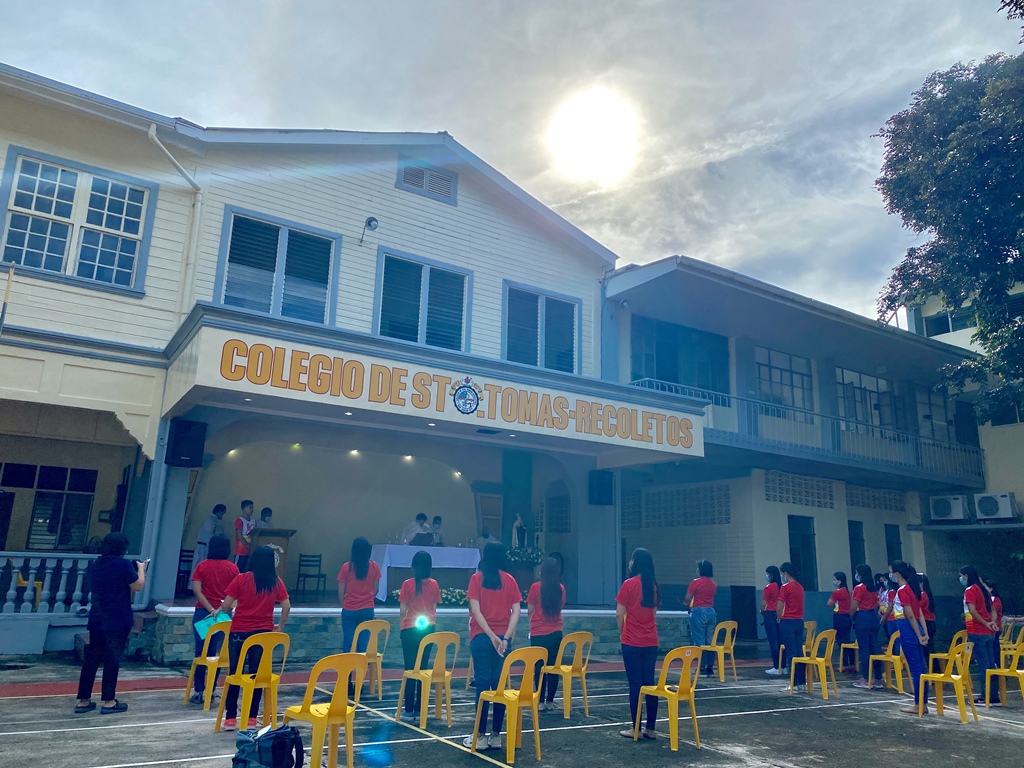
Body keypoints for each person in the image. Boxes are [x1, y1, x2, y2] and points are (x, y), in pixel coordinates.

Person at [219, 546, 290, 731]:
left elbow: (226, 606)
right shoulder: (275, 582)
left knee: (235, 674)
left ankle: (230, 718)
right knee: (257, 676)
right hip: (263, 634)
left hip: (239, 632)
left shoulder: (241, 579)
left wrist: (236, 604)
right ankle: (251, 718)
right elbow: (286, 605)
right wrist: (280, 626)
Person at [74, 532, 146, 715]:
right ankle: (108, 700)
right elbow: (137, 585)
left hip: (98, 616)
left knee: (91, 659)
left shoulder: (96, 564)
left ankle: (83, 700)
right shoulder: (122, 564)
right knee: (112, 659)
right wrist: (141, 569)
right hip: (117, 617)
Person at [464, 541, 522, 750]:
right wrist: (505, 638)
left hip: (481, 637)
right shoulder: (510, 580)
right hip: (502, 639)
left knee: (482, 685)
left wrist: (490, 636)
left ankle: (479, 736)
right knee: (498, 686)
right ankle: (496, 735)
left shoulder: (476, 579)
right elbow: (516, 611)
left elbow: (476, 612)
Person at [189, 534, 239, 703]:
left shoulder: (202, 566)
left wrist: (210, 609)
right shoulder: (233, 568)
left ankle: (199, 690)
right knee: (218, 655)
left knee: (201, 652)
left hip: (203, 613)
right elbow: (236, 594)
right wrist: (219, 610)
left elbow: (197, 590)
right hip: (223, 615)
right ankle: (211, 689)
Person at [616, 548, 660, 741]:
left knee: (635, 684)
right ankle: (650, 729)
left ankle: (635, 728)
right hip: (651, 641)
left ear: (635, 562)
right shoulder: (653, 586)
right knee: (649, 683)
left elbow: (619, 613)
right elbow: (654, 613)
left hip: (632, 640)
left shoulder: (629, 584)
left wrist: (622, 632)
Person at [398, 550, 441, 721]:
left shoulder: (407, 584)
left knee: (410, 669)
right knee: (423, 669)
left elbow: (402, 610)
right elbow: (434, 609)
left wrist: (403, 624)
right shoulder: (434, 584)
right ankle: (420, 707)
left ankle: (408, 710)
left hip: (409, 629)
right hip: (428, 630)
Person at [890, 561, 929, 714]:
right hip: (914, 628)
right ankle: (922, 703)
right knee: (920, 667)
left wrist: (919, 635)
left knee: (916, 669)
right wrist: (924, 633)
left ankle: (919, 704)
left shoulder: (902, 590)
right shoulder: (912, 589)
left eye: (891, 572)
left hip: (907, 629)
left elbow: (911, 615)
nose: (891, 575)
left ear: (897, 574)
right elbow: (919, 614)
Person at [528, 556, 566, 711]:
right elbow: (561, 606)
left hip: (538, 633)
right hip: (556, 632)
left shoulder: (535, 587)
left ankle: (540, 701)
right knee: (553, 667)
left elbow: (530, 610)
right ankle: (550, 700)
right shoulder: (561, 589)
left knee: (539, 668)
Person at [960, 564, 998, 705]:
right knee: (990, 665)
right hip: (989, 632)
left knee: (983, 665)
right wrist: (991, 622)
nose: (961, 579)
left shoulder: (970, 590)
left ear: (967, 576)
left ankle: (984, 696)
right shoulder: (984, 590)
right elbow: (992, 610)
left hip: (976, 630)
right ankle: (993, 696)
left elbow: (972, 610)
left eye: (962, 576)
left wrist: (984, 623)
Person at [338, 537, 382, 654]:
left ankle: (347, 672)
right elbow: (376, 589)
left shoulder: (346, 567)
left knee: (349, 644)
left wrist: (346, 604)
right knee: (363, 646)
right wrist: (368, 600)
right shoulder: (374, 566)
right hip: (367, 609)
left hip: (349, 609)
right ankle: (361, 671)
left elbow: (341, 592)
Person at [851, 564, 882, 690]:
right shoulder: (873, 588)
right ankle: (878, 678)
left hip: (862, 617)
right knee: (875, 648)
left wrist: (852, 616)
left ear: (860, 574)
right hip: (873, 617)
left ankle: (865, 678)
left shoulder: (859, 588)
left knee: (864, 649)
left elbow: (853, 606)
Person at [686, 560, 717, 677]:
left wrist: (687, 604)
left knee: (699, 641)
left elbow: (688, 597)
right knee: (709, 641)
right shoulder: (713, 583)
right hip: (711, 611)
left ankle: (701, 667)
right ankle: (710, 666)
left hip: (698, 611)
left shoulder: (695, 582)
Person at [777, 561, 805, 691]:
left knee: (791, 653)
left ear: (785, 573)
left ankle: (793, 683)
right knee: (799, 652)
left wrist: (778, 617)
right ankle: (801, 682)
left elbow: (780, 605)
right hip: (799, 621)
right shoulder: (800, 587)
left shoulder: (785, 587)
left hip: (787, 621)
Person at [828, 571, 854, 672]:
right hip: (847, 617)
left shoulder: (838, 592)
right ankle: (851, 663)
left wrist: (835, 605)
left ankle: (843, 665)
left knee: (841, 642)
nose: (834, 581)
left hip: (839, 617)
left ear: (839, 581)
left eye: (835, 580)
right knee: (847, 640)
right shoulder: (848, 592)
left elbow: (829, 603)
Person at [762, 565, 783, 675]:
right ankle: (783, 666)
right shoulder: (782, 587)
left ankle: (776, 666)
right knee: (781, 641)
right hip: (780, 614)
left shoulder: (769, 587)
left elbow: (764, 603)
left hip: (770, 614)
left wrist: (762, 611)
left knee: (773, 641)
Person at [919, 572, 937, 661]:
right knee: (930, 648)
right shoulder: (928, 594)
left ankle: (933, 668)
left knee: (928, 649)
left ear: (921, 583)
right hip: (931, 622)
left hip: (926, 623)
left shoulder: (923, 595)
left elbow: (918, 607)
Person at [234, 500, 256, 572]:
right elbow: (239, 535)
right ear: (244, 508)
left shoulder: (253, 521)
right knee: (238, 571)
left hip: (251, 551)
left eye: (252, 508)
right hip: (241, 551)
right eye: (250, 508)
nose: (252, 510)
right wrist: (247, 545)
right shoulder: (240, 520)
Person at [877, 573, 896, 639]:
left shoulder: (892, 591)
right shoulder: (885, 591)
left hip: (891, 617)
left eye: (885, 580)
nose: (884, 582)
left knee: (893, 637)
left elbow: (890, 606)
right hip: (885, 616)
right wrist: (879, 611)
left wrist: (884, 617)